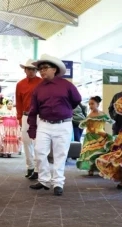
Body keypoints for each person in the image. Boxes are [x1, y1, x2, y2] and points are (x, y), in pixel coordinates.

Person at [28, 54, 82, 196]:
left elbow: (76, 100)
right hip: (44, 124)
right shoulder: (38, 88)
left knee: (60, 154)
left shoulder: (67, 85)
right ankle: (44, 180)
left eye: (45, 68)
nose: (42, 71)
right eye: (40, 69)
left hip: (63, 124)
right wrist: (32, 128)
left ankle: (58, 183)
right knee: (39, 152)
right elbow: (33, 110)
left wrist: (64, 109)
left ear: (54, 69)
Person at [15, 59, 42, 180]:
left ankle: (37, 169)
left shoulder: (42, 83)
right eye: (28, 69)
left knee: (38, 143)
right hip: (26, 116)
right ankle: (30, 166)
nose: (31, 71)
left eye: (33, 69)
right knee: (26, 142)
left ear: (36, 71)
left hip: (39, 116)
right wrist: (19, 117)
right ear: (25, 70)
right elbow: (18, 102)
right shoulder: (20, 84)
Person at [76, 96, 114, 176]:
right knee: (90, 152)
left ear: (98, 104)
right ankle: (91, 168)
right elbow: (88, 127)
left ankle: (101, 168)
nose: (90, 106)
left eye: (92, 103)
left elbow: (104, 124)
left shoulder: (102, 114)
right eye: (89, 104)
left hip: (100, 135)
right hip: (90, 137)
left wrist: (103, 133)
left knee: (101, 152)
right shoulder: (89, 116)